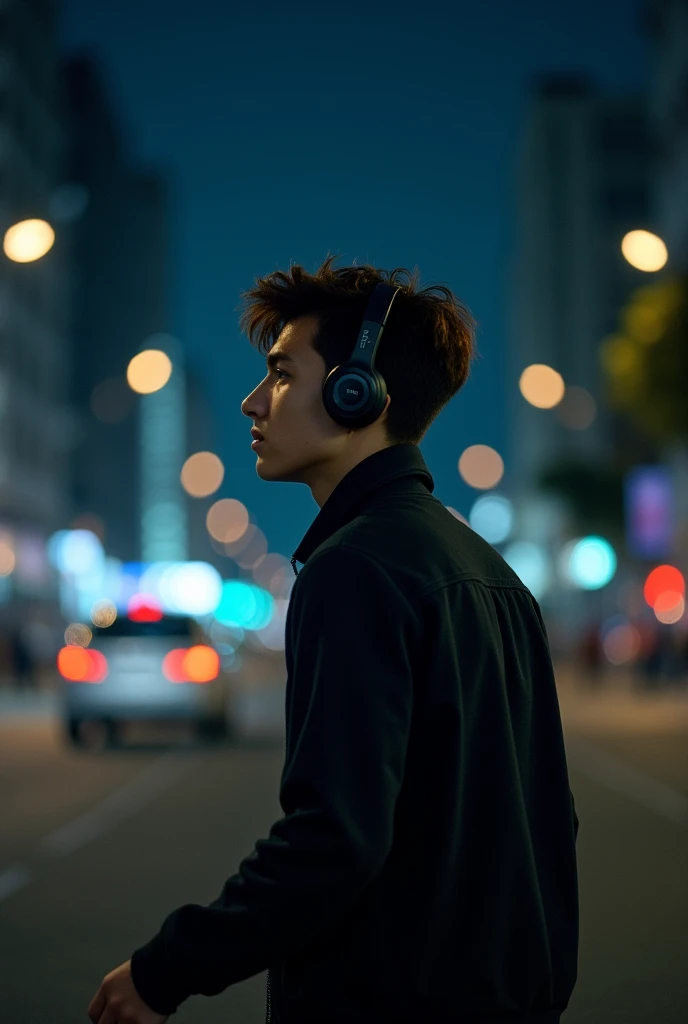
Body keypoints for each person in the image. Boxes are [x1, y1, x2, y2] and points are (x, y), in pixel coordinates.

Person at [90, 255, 579, 1023]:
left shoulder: (353, 569)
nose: (254, 402)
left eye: (282, 373)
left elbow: (333, 840)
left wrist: (165, 969)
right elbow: (550, 820)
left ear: (360, 392)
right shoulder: (490, 572)